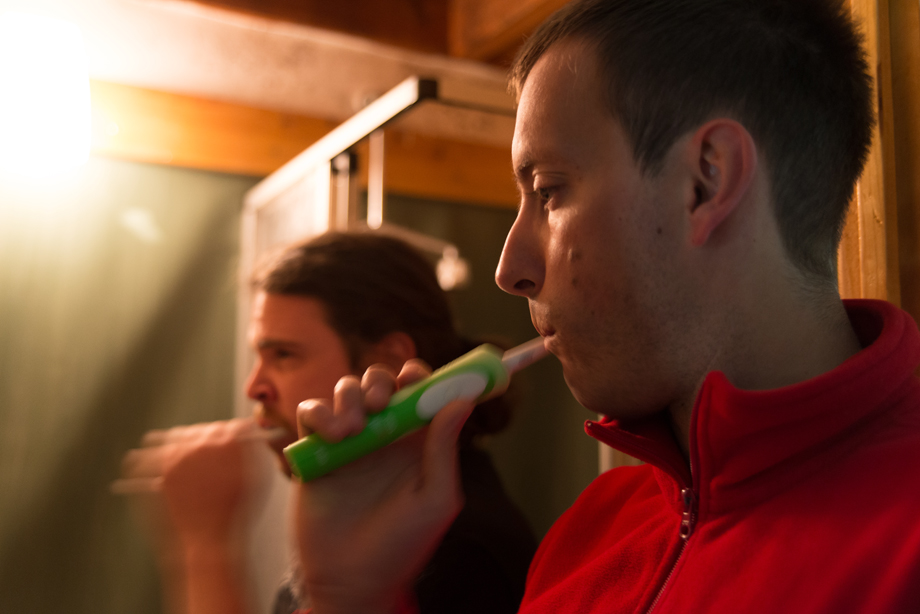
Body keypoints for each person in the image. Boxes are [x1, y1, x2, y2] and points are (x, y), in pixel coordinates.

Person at [289, 0, 920, 613]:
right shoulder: (590, 533)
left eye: (549, 192)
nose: (510, 270)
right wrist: (352, 594)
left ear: (706, 181)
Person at [119, 232, 537, 614]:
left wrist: (204, 547)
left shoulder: (454, 551)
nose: (254, 388)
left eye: (283, 355)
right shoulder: (370, 517)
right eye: (259, 357)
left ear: (386, 362)